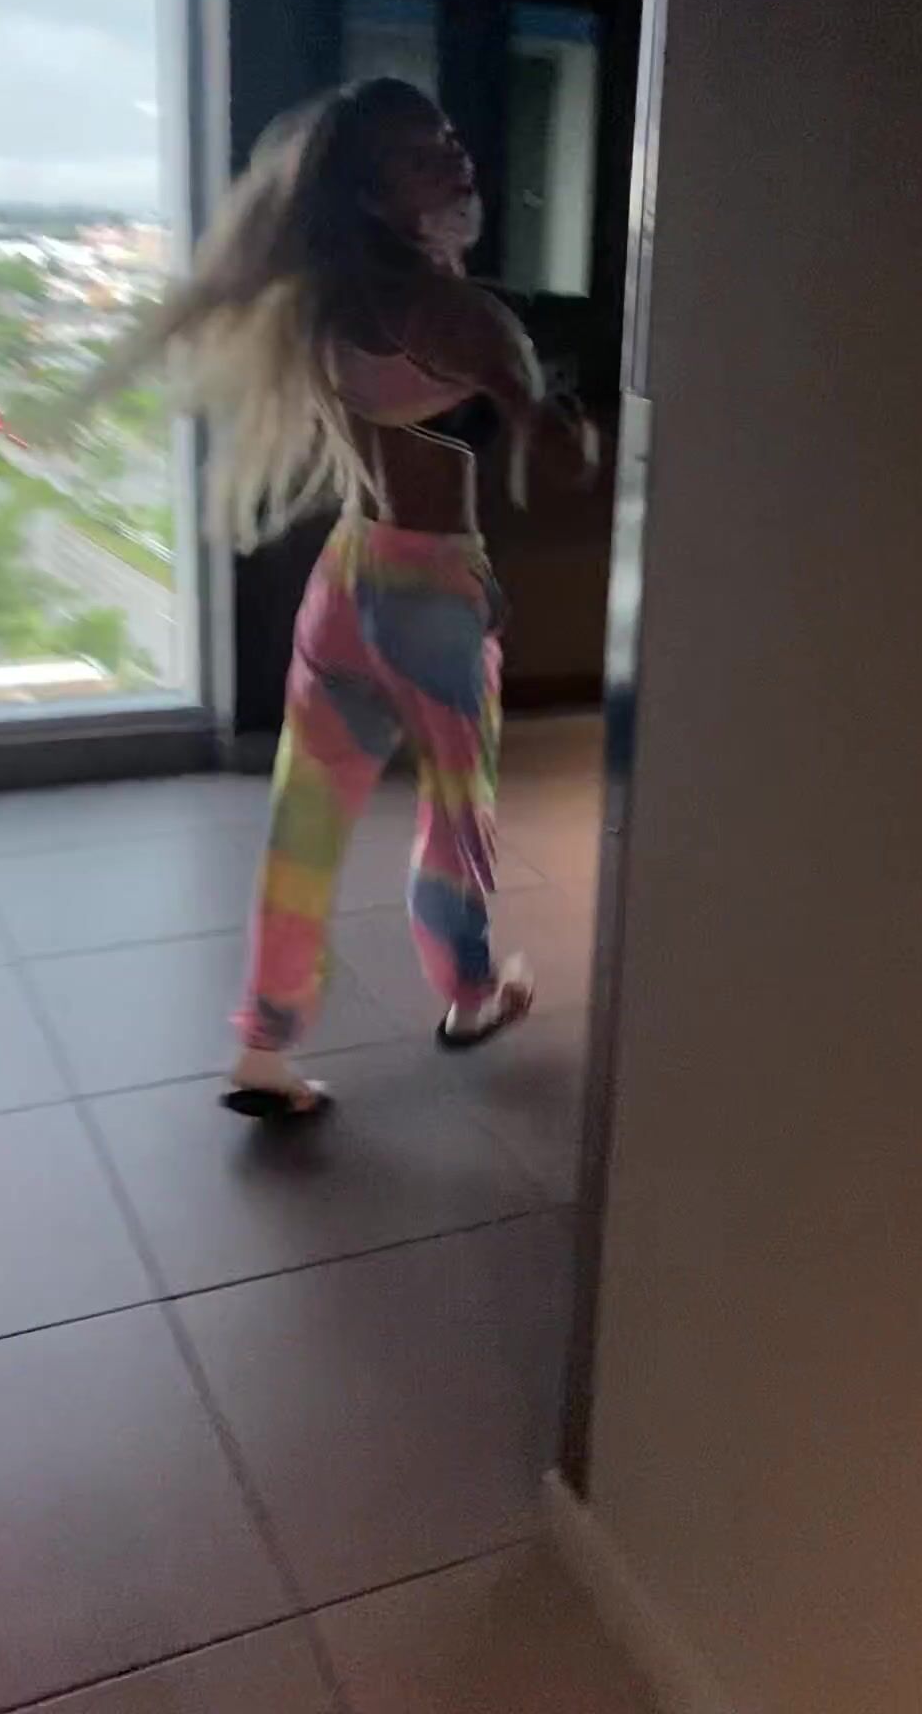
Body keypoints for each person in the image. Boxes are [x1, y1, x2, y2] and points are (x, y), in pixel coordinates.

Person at [84, 77, 596, 1117]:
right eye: (420, 153)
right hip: (433, 595)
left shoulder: (318, 301)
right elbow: (559, 459)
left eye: (446, 134)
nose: (453, 155)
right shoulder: (464, 317)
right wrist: (568, 416)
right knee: (458, 814)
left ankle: (262, 1050)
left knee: (304, 822)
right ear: (369, 193)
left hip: (346, 582)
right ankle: (468, 996)